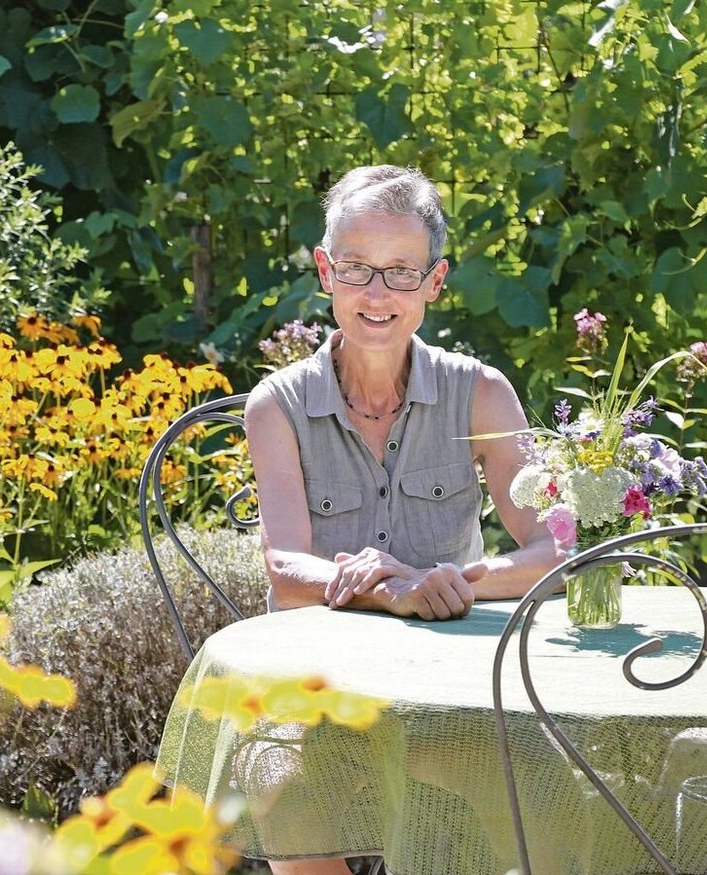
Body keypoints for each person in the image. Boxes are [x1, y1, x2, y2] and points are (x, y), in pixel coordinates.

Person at [243, 165, 560, 874]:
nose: (377, 294)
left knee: (544, 794)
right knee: (284, 801)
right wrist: (383, 590)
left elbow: (553, 547)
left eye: (400, 272)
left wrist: (455, 583)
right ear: (326, 271)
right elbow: (286, 569)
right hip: (318, 702)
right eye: (357, 269)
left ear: (435, 281)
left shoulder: (481, 393)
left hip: (454, 698)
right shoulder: (277, 405)